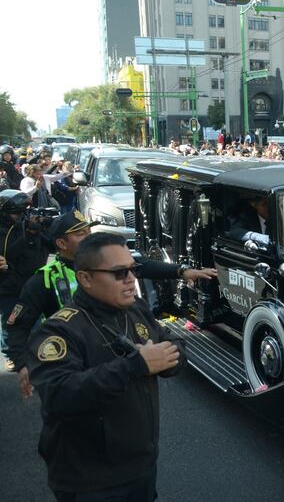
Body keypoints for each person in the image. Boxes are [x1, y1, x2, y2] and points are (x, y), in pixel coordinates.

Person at [27, 232, 185, 501]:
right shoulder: (59, 330)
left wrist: (165, 362)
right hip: (91, 480)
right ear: (86, 278)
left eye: (133, 270)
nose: (131, 279)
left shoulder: (136, 309)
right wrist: (135, 366)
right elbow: (58, 395)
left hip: (141, 467)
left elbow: (174, 346)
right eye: (119, 272)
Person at [6, 210, 217, 398]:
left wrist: (181, 271)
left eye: (89, 231)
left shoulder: (134, 303)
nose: (127, 278)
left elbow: (145, 266)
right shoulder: (43, 281)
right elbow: (18, 326)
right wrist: (23, 363)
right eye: (80, 234)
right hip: (78, 367)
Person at [0, 189, 51, 362]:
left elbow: (52, 246)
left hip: (33, 283)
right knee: (11, 322)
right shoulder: (5, 232)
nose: (21, 216)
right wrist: (27, 234)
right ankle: (10, 354)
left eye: (24, 212)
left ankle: (32, 352)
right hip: (9, 286)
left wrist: (47, 227)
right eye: (17, 213)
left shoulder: (30, 224)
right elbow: (10, 253)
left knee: (35, 321)